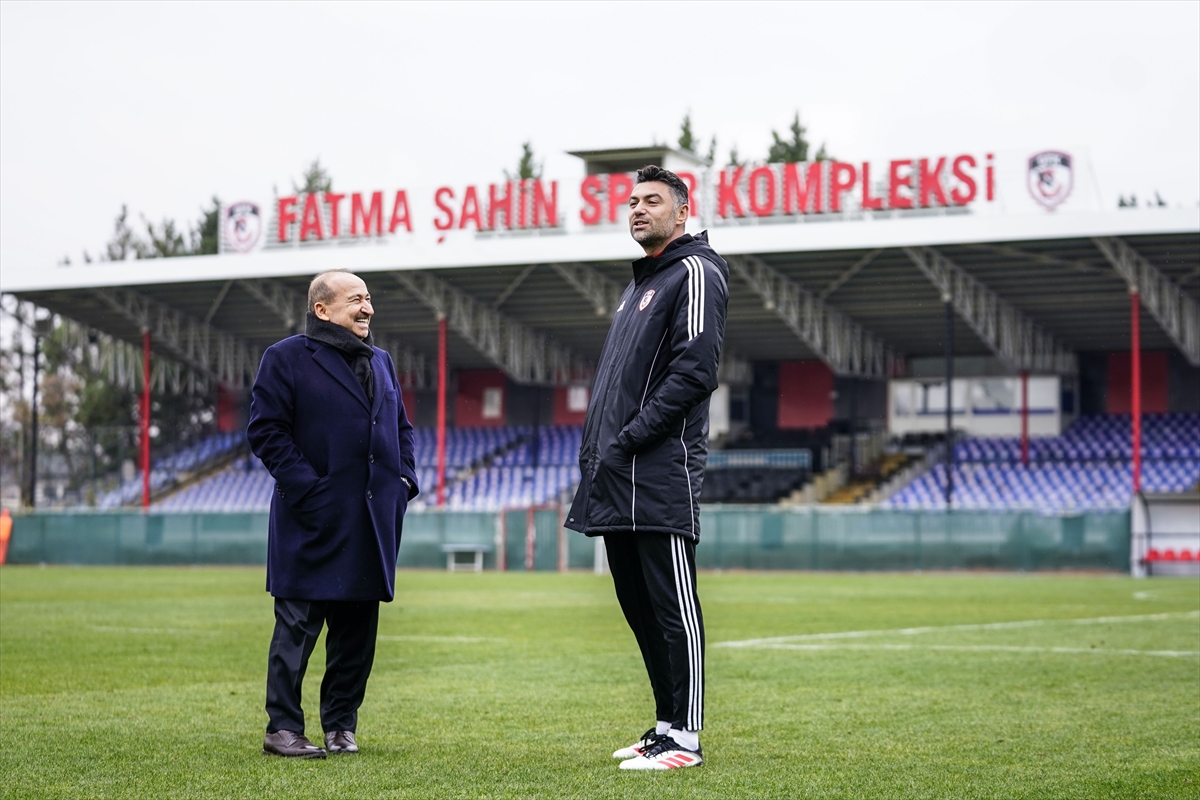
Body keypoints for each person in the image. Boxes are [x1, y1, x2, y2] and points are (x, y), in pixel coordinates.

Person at [566, 165, 728, 770]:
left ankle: (686, 738)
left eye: (652, 201)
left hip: (657, 470)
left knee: (672, 608)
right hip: (615, 472)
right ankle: (664, 725)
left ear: (682, 212)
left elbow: (695, 371)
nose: (637, 209)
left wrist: (631, 439)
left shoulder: (696, 271)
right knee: (639, 609)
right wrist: (602, 452)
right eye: (632, 201)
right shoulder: (640, 285)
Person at [248, 269, 418, 759]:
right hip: (312, 519)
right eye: (355, 300)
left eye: (368, 299)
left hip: (371, 520)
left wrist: (404, 481)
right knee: (297, 628)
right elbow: (266, 431)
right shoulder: (285, 357)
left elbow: (401, 428)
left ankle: (341, 726)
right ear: (322, 310)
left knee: (356, 634)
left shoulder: (381, 360)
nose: (367, 308)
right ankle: (283, 729)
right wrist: (310, 490)